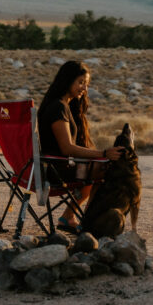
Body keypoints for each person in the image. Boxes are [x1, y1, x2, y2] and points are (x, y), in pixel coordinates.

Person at [37, 59, 121, 232]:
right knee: (104, 167)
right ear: (67, 81)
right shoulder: (58, 107)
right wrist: (103, 153)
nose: (84, 87)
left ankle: (69, 216)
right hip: (56, 170)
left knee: (97, 167)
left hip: (53, 166)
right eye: (80, 82)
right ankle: (88, 220)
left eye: (86, 83)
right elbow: (67, 148)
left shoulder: (61, 105)